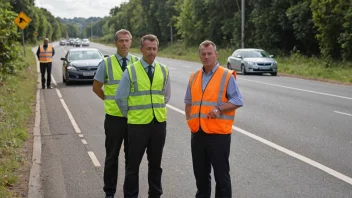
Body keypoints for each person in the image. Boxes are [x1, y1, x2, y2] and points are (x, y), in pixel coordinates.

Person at [184, 40, 243, 198]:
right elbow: (188, 102)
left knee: (221, 178)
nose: (206, 56)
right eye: (203, 54)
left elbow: (238, 100)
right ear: (199, 55)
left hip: (218, 135)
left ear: (216, 55)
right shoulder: (194, 76)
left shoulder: (226, 75)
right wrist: (190, 121)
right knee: (201, 177)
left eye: (209, 53)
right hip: (198, 133)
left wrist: (219, 109)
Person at [115, 34, 171, 198]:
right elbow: (120, 97)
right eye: (148, 49)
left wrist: (155, 110)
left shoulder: (163, 69)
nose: (152, 52)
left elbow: (166, 96)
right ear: (141, 50)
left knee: (156, 165)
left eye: (154, 49)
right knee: (133, 166)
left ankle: (155, 194)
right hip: (137, 126)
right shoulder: (131, 70)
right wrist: (131, 114)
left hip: (158, 124)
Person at [92, 29, 139, 198]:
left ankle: (130, 193)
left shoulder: (137, 62)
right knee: (112, 157)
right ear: (115, 43)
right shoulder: (106, 63)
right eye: (121, 41)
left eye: (127, 40)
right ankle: (109, 192)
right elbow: (96, 87)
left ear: (131, 42)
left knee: (131, 159)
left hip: (133, 119)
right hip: (114, 119)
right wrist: (109, 101)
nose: (124, 43)